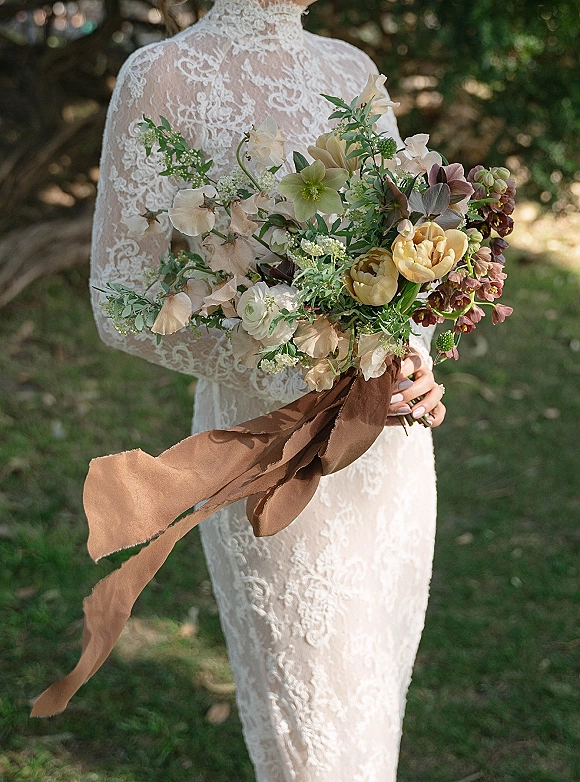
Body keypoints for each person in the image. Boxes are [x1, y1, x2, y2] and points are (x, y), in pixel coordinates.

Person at [90, 0, 446, 778]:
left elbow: (407, 244)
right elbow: (119, 299)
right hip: (272, 446)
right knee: (319, 737)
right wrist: (283, 349)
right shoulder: (160, 76)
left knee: (373, 711)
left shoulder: (352, 69)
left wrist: (414, 356)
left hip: (388, 452)